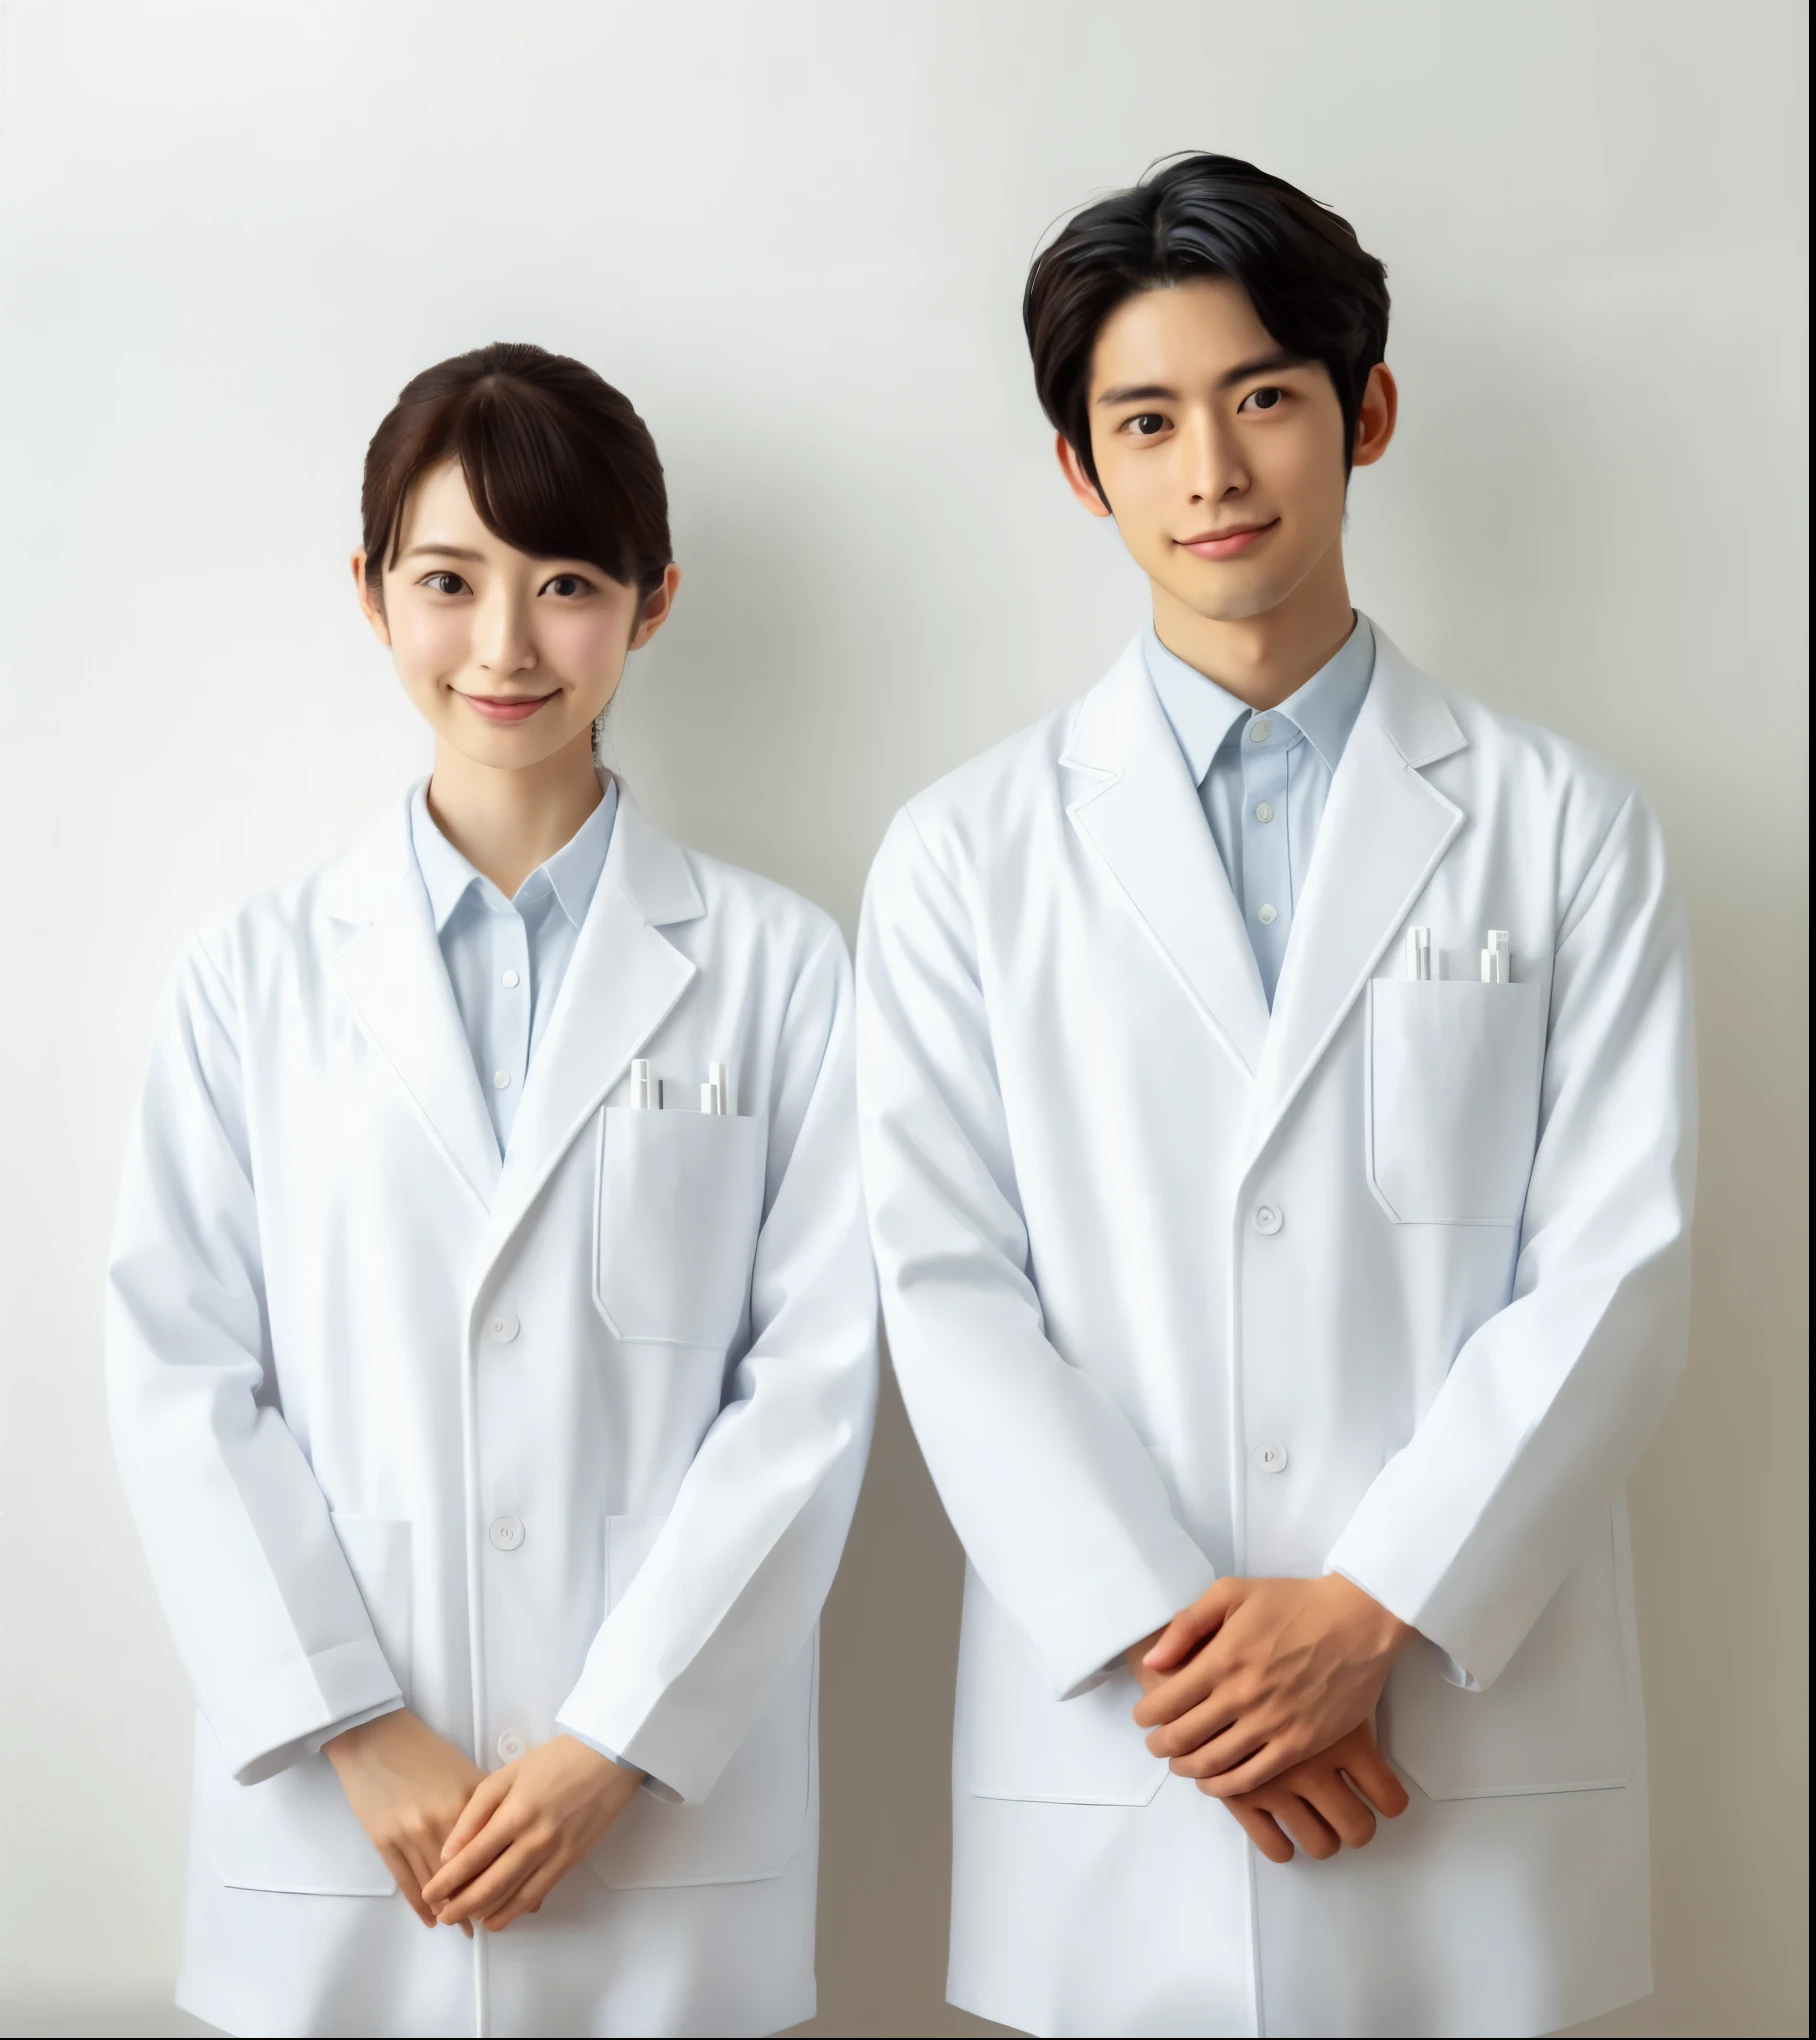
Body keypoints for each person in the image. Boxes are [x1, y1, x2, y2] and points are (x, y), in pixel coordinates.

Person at [856, 156, 1695, 2038]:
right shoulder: (959, 859)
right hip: (1127, 1763)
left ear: (1365, 412)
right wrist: (1204, 1671)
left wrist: (1373, 1609)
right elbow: (946, 1288)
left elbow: (1616, 1273)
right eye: (1145, 422)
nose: (1212, 473)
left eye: (1263, 400)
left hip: (1461, 1743)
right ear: (1082, 468)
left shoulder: (1567, 833)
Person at [107, 342, 877, 2039]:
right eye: (449, 581)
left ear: (654, 603)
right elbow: (181, 1376)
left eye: (568, 584)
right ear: (371, 592)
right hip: (336, 1825)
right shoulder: (250, 977)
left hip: (664, 1836)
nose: (508, 646)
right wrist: (351, 1723)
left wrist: (617, 1741)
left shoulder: (781, 970)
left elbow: (811, 1393)